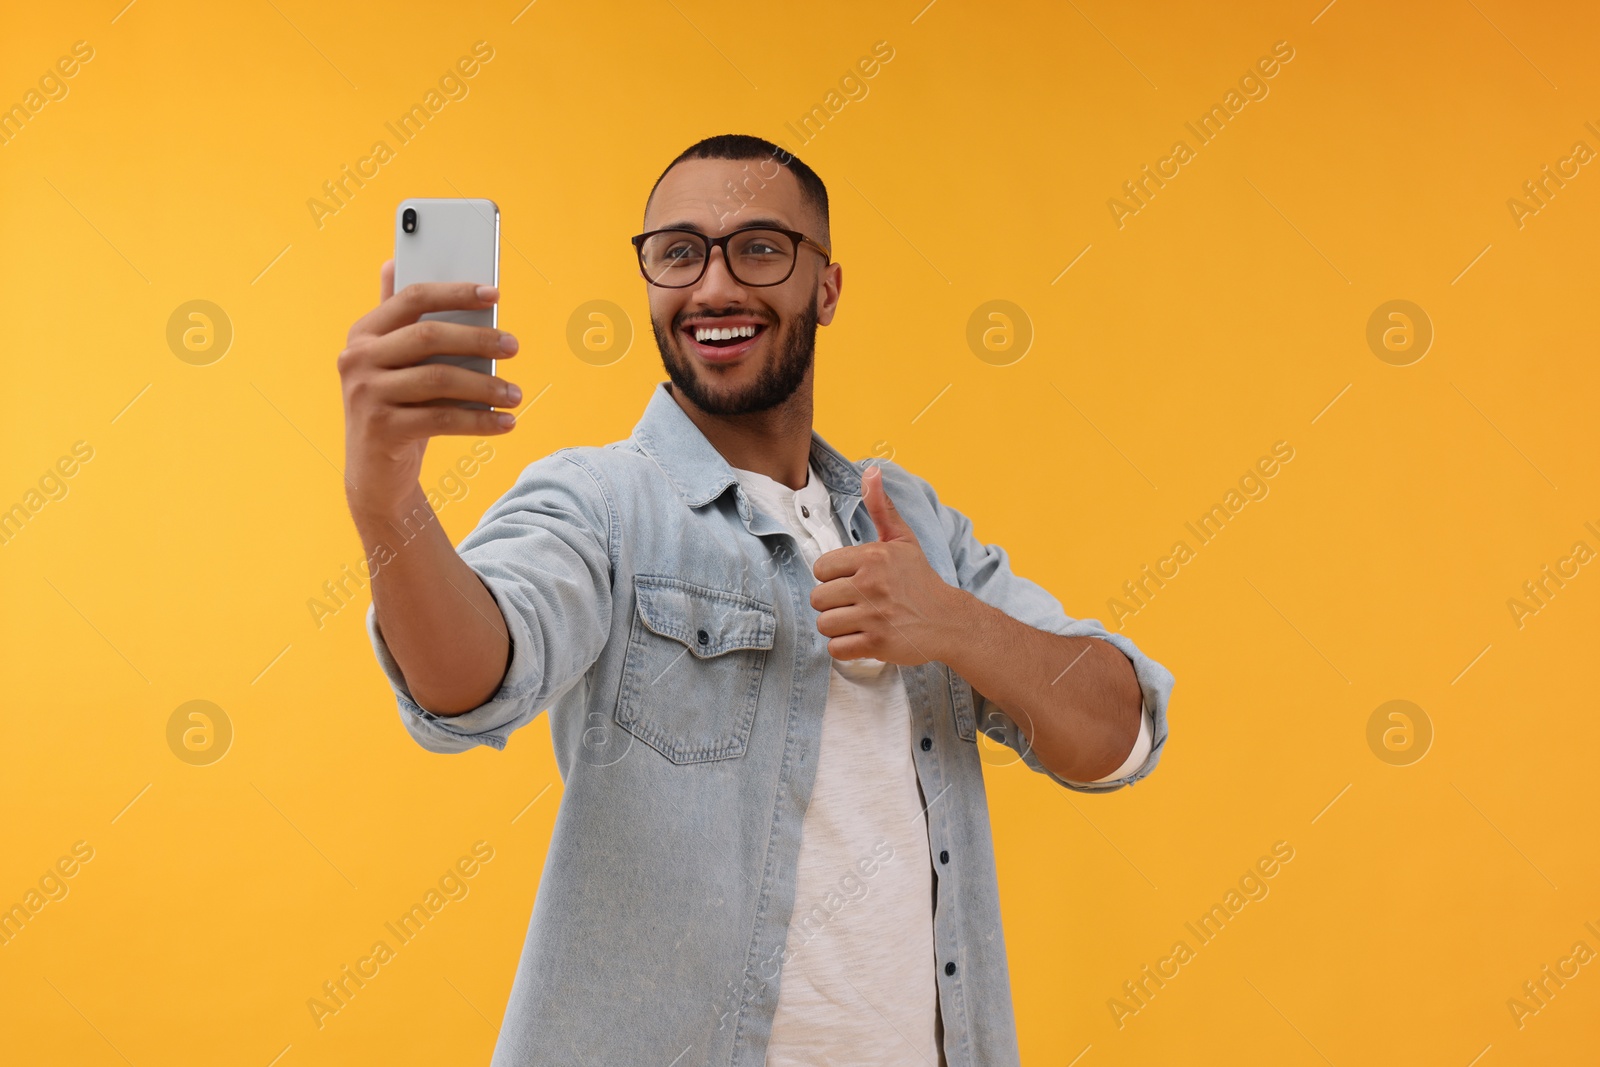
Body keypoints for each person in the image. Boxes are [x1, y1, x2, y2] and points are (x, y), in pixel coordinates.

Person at [338, 133, 1174, 1066]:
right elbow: (467, 684)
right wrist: (388, 501)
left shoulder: (914, 526)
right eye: (680, 251)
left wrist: (953, 622)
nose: (714, 287)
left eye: (761, 248)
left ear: (826, 286)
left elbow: (1119, 734)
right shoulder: (600, 503)